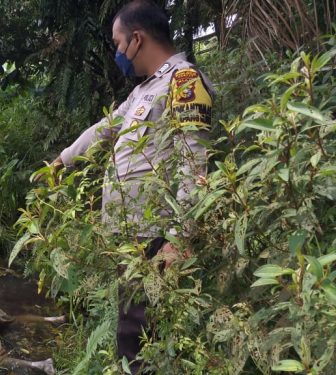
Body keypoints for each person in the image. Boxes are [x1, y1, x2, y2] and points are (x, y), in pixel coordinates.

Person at [46, 2, 213, 372]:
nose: (118, 52)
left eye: (118, 42)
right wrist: (63, 159)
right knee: (132, 328)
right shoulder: (143, 92)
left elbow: (194, 166)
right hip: (135, 234)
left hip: (157, 239)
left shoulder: (184, 82)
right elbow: (105, 127)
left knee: (140, 334)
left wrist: (179, 240)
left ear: (137, 39)